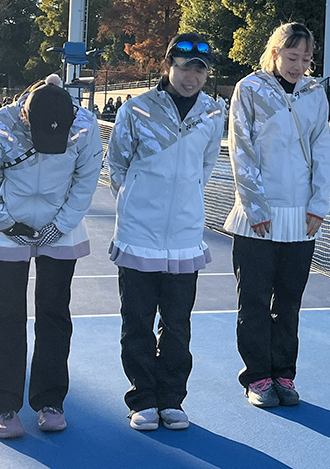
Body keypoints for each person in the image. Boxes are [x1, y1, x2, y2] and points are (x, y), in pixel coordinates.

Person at [105, 32, 225, 432]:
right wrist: (138, 200)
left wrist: (185, 201)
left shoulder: (213, 113)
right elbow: (117, 165)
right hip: (138, 233)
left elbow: (205, 166)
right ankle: (142, 398)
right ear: (166, 66)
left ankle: (172, 399)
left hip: (185, 237)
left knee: (177, 324)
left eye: (199, 70)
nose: (192, 77)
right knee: (137, 321)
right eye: (184, 68)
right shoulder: (136, 109)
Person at [0, 74, 103, 439]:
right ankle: (2, 405)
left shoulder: (86, 125)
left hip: (61, 224)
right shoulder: (0, 122)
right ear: (26, 117)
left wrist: (60, 226)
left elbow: (86, 179)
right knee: (6, 312)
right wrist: (5, 222)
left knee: (54, 311)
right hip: (7, 223)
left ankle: (50, 401)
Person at [224, 22, 330, 408]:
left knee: (289, 302)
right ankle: (257, 377)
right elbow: (241, 147)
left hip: (301, 219)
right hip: (256, 219)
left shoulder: (315, 93)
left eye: (306, 58)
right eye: (292, 56)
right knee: (253, 301)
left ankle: (284, 373)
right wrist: (255, 206)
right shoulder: (249, 89)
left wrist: (319, 205)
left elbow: (322, 150)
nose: (298, 65)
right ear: (275, 53)